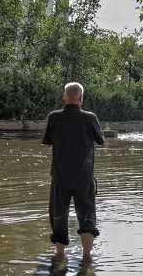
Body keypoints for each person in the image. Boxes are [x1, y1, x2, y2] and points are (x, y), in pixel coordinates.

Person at [42, 82, 105, 258]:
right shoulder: (90, 118)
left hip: (60, 177)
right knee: (86, 217)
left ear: (64, 97)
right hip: (84, 178)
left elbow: (48, 143)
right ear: (81, 99)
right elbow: (100, 140)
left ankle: (60, 256)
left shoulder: (54, 117)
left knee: (59, 216)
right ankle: (86, 257)